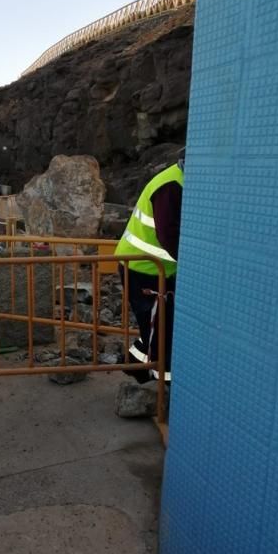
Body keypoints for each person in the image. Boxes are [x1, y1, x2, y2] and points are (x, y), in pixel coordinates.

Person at [115, 148, 185, 384]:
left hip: (151, 268)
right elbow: (169, 235)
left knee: (157, 326)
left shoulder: (175, 179)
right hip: (145, 269)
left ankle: (135, 365)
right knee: (161, 331)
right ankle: (163, 386)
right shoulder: (172, 186)